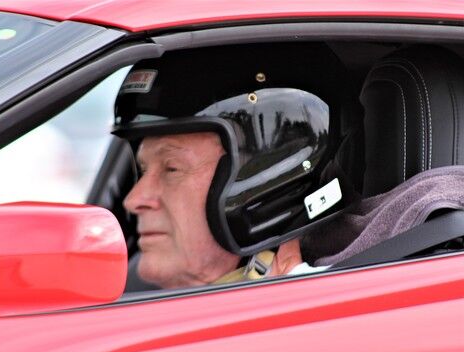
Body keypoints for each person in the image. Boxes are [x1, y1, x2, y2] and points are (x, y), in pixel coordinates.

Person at [112, 47, 345, 289]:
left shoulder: (322, 314)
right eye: (143, 169)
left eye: (172, 169)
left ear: (265, 182)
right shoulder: (128, 297)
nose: (134, 199)